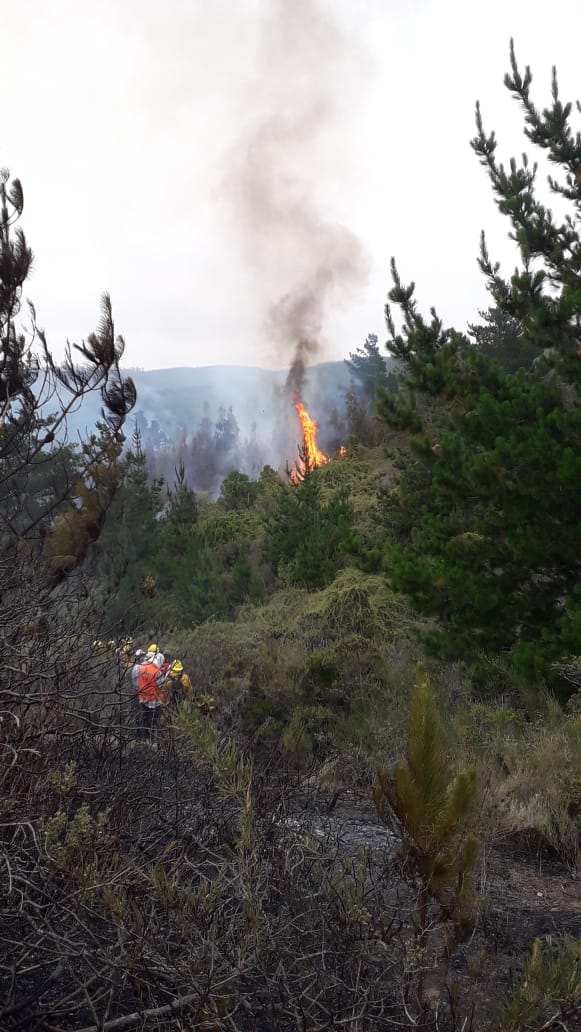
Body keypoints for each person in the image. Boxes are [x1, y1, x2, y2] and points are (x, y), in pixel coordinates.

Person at [136, 652, 166, 744]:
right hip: (153, 700)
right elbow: (162, 686)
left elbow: (137, 681)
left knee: (143, 718)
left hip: (142, 697)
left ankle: (141, 739)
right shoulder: (157, 672)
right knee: (152, 720)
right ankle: (151, 740)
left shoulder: (141, 667)